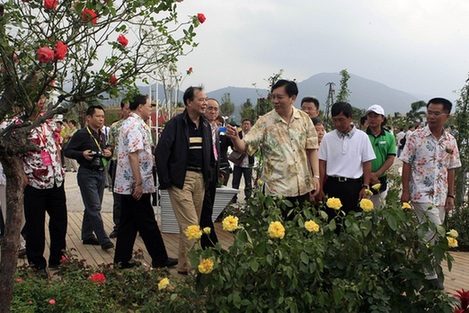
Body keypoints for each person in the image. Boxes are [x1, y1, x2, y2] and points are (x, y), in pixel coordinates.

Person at [227, 79, 320, 219]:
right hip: (277, 191)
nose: (275, 101)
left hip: (302, 188)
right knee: (277, 234)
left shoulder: (304, 119)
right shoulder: (265, 122)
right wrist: (235, 138)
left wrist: (316, 176)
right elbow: (244, 147)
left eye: (280, 97)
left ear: (292, 98)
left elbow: (312, 148)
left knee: (300, 234)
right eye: (273, 97)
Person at [400, 97, 461, 290]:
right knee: (435, 230)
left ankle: (420, 270)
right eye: (429, 112)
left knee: (431, 235)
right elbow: (406, 164)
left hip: (441, 195)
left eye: (436, 113)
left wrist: (451, 195)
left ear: (447, 116)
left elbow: (452, 168)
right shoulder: (415, 137)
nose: (431, 117)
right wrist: (405, 192)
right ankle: (430, 275)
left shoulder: (450, 140)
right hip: (420, 193)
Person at [156, 86, 215, 275]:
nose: (205, 103)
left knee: (189, 227)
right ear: (189, 102)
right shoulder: (175, 124)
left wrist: (210, 175)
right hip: (181, 180)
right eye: (201, 99)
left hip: (200, 180)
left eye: (206, 99)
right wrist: (166, 180)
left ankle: (183, 265)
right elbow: (161, 152)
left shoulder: (205, 124)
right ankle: (195, 269)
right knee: (191, 226)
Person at [113, 95, 177, 269]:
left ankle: (121, 260)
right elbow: (133, 155)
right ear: (140, 107)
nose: (151, 109)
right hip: (134, 184)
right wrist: (139, 183)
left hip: (128, 184)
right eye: (150, 106)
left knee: (128, 223)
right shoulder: (134, 125)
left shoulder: (132, 123)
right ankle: (160, 259)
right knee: (148, 222)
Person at [22, 95, 68, 278]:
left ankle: (58, 259)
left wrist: (60, 168)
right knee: (35, 226)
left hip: (55, 179)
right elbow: (13, 155)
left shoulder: (48, 121)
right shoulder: (19, 125)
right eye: (36, 98)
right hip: (35, 182)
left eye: (42, 98)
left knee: (60, 221)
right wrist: (22, 175)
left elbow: (55, 146)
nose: (41, 102)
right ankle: (37, 264)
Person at [64, 105, 114, 251]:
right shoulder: (81, 134)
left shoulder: (102, 134)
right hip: (87, 173)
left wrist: (108, 152)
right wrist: (82, 154)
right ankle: (103, 239)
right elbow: (67, 151)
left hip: (100, 173)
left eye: (102, 117)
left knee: (92, 205)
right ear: (88, 118)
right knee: (94, 207)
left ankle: (87, 235)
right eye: (98, 116)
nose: (101, 119)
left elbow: (106, 148)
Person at [317, 102, 375, 217]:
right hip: (332, 186)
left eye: (341, 119)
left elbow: (367, 163)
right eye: (335, 120)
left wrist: (365, 186)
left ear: (350, 118)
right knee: (332, 222)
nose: (338, 124)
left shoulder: (362, 137)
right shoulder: (328, 138)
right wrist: (320, 188)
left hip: (353, 187)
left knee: (352, 222)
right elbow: (322, 164)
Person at [199, 98, 222, 249]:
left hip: (213, 169)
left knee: (210, 206)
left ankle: (208, 242)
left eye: (215, 109)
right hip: (202, 171)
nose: (213, 112)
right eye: (210, 108)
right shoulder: (200, 126)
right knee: (205, 207)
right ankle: (210, 244)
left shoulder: (216, 127)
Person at [365, 105, 396, 208]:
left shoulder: (389, 137)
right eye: (370, 116)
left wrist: (377, 174)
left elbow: (390, 158)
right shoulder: (362, 135)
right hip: (363, 179)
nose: (372, 119)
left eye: (376, 116)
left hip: (380, 179)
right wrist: (368, 175)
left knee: (379, 210)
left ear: (382, 118)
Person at [108, 100, 131, 239]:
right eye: (127, 109)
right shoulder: (115, 127)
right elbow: (111, 146)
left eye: (131, 109)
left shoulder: (139, 126)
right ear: (122, 109)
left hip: (133, 164)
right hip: (117, 163)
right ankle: (118, 226)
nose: (129, 112)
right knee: (118, 197)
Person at [231, 118, 254, 203]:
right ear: (242, 125)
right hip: (238, 162)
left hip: (248, 162)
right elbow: (232, 145)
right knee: (235, 181)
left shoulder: (253, 135)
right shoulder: (238, 134)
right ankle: (233, 198)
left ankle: (248, 198)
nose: (246, 126)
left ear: (251, 125)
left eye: (248, 124)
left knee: (248, 182)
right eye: (244, 124)